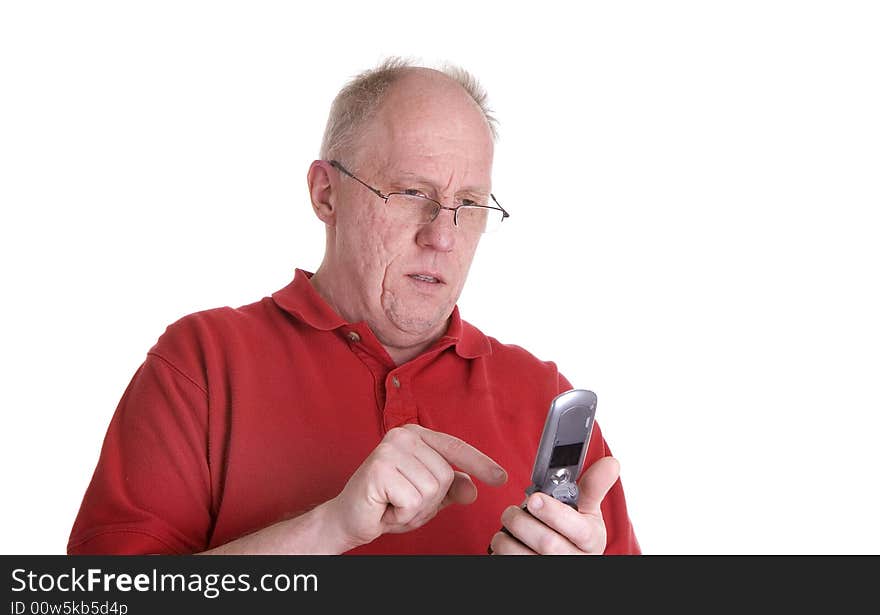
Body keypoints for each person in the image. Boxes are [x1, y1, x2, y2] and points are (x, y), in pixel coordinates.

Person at [67, 57, 641, 555]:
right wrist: (328, 528)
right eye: (412, 192)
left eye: (468, 203)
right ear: (326, 193)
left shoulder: (544, 395)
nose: (443, 235)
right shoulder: (201, 365)